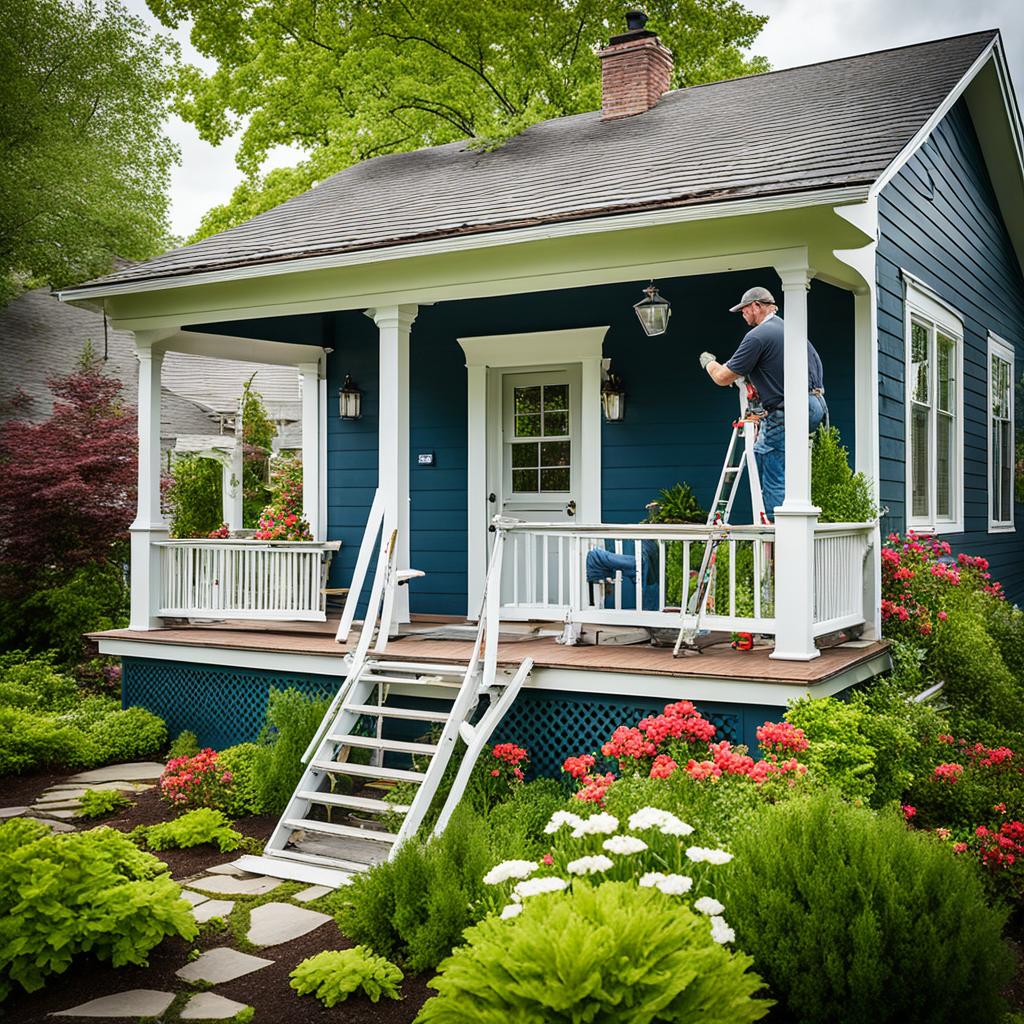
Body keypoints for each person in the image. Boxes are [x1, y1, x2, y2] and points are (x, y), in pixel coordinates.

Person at [698, 286, 826, 518]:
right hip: (815, 405)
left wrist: (708, 362)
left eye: (744, 309)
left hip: (786, 410)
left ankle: (779, 539)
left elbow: (722, 377)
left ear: (757, 306)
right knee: (787, 466)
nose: (743, 314)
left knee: (769, 467)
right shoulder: (790, 330)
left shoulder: (758, 336)